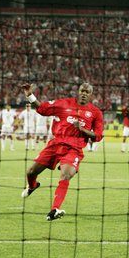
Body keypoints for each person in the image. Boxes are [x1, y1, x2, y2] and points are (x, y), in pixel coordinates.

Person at [20, 82, 104, 221]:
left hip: (74, 148)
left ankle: (55, 209)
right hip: (56, 144)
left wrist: (82, 130)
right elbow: (43, 108)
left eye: (87, 92)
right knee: (31, 172)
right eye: (82, 91)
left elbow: (99, 135)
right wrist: (30, 96)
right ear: (78, 91)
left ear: (91, 95)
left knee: (65, 175)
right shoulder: (64, 103)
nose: (84, 93)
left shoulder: (95, 113)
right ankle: (33, 186)